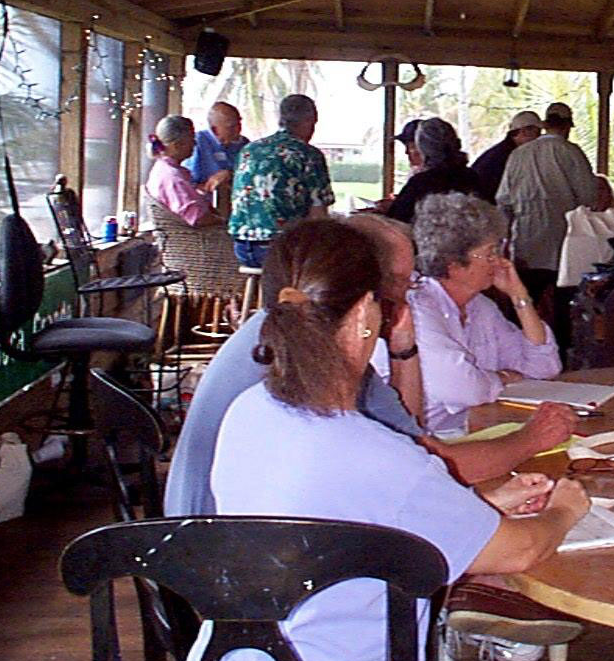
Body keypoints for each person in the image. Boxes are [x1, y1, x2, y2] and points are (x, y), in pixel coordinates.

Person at [175, 220, 589, 661]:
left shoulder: (252, 411)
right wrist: (566, 509)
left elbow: (347, 520)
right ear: (363, 315)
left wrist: (483, 507)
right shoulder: (375, 453)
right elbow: (520, 550)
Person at [165, 214, 577, 518]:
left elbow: (408, 437)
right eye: (399, 282)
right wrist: (530, 440)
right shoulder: (319, 355)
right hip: (224, 555)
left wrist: (403, 349)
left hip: (211, 541)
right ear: (363, 290)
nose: (408, 294)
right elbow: (430, 461)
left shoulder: (290, 330)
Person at [411, 192, 561, 436]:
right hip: (424, 440)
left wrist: (519, 296)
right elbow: (462, 389)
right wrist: (502, 378)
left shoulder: (481, 308)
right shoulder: (419, 308)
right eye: (490, 253)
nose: (500, 261)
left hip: (474, 430)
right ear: (454, 264)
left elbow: (544, 368)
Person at [496, 101, 597, 305]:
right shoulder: (571, 152)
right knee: (563, 307)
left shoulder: (518, 154)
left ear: (545, 125)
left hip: (527, 244)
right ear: (567, 126)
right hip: (564, 245)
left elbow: (503, 200)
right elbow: (589, 197)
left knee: (526, 304)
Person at [228, 93, 334, 268]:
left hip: (241, 247)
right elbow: (318, 216)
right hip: (281, 249)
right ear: (309, 121)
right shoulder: (308, 154)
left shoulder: (249, 150)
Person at [386, 117, 487, 224]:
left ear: (423, 149)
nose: (407, 152)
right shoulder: (472, 177)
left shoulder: (421, 183)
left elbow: (397, 222)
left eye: (412, 146)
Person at [143, 115, 227, 226]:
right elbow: (197, 217)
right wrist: (223, 221)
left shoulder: (164, 168)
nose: (195, 144)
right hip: (194, 235)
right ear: (177, 145)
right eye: (192, 140)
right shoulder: (172, 177)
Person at [471, 110, 543, 200]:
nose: (539, 138)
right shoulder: (508, 156)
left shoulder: (507, 151)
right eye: (538, 132)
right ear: (524, 132)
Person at [185, 100, 248, 185]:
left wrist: (230, 174)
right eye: (231, 127)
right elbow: (188, 182)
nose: (238, 129)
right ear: (215, 130)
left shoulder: (244, 144)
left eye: (239, 123)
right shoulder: (197, 142)